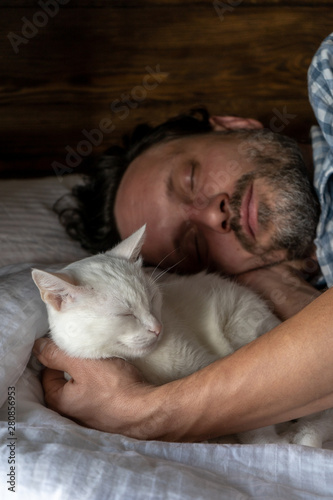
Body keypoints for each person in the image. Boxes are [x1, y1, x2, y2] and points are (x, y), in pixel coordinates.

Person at [33, 33, 333, 442]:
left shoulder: (329, 74)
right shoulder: (294, 287)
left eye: (190, 179)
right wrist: (270, 281)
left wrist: (149, 412)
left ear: (233, 126)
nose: (213, 215)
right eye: (195, 244)